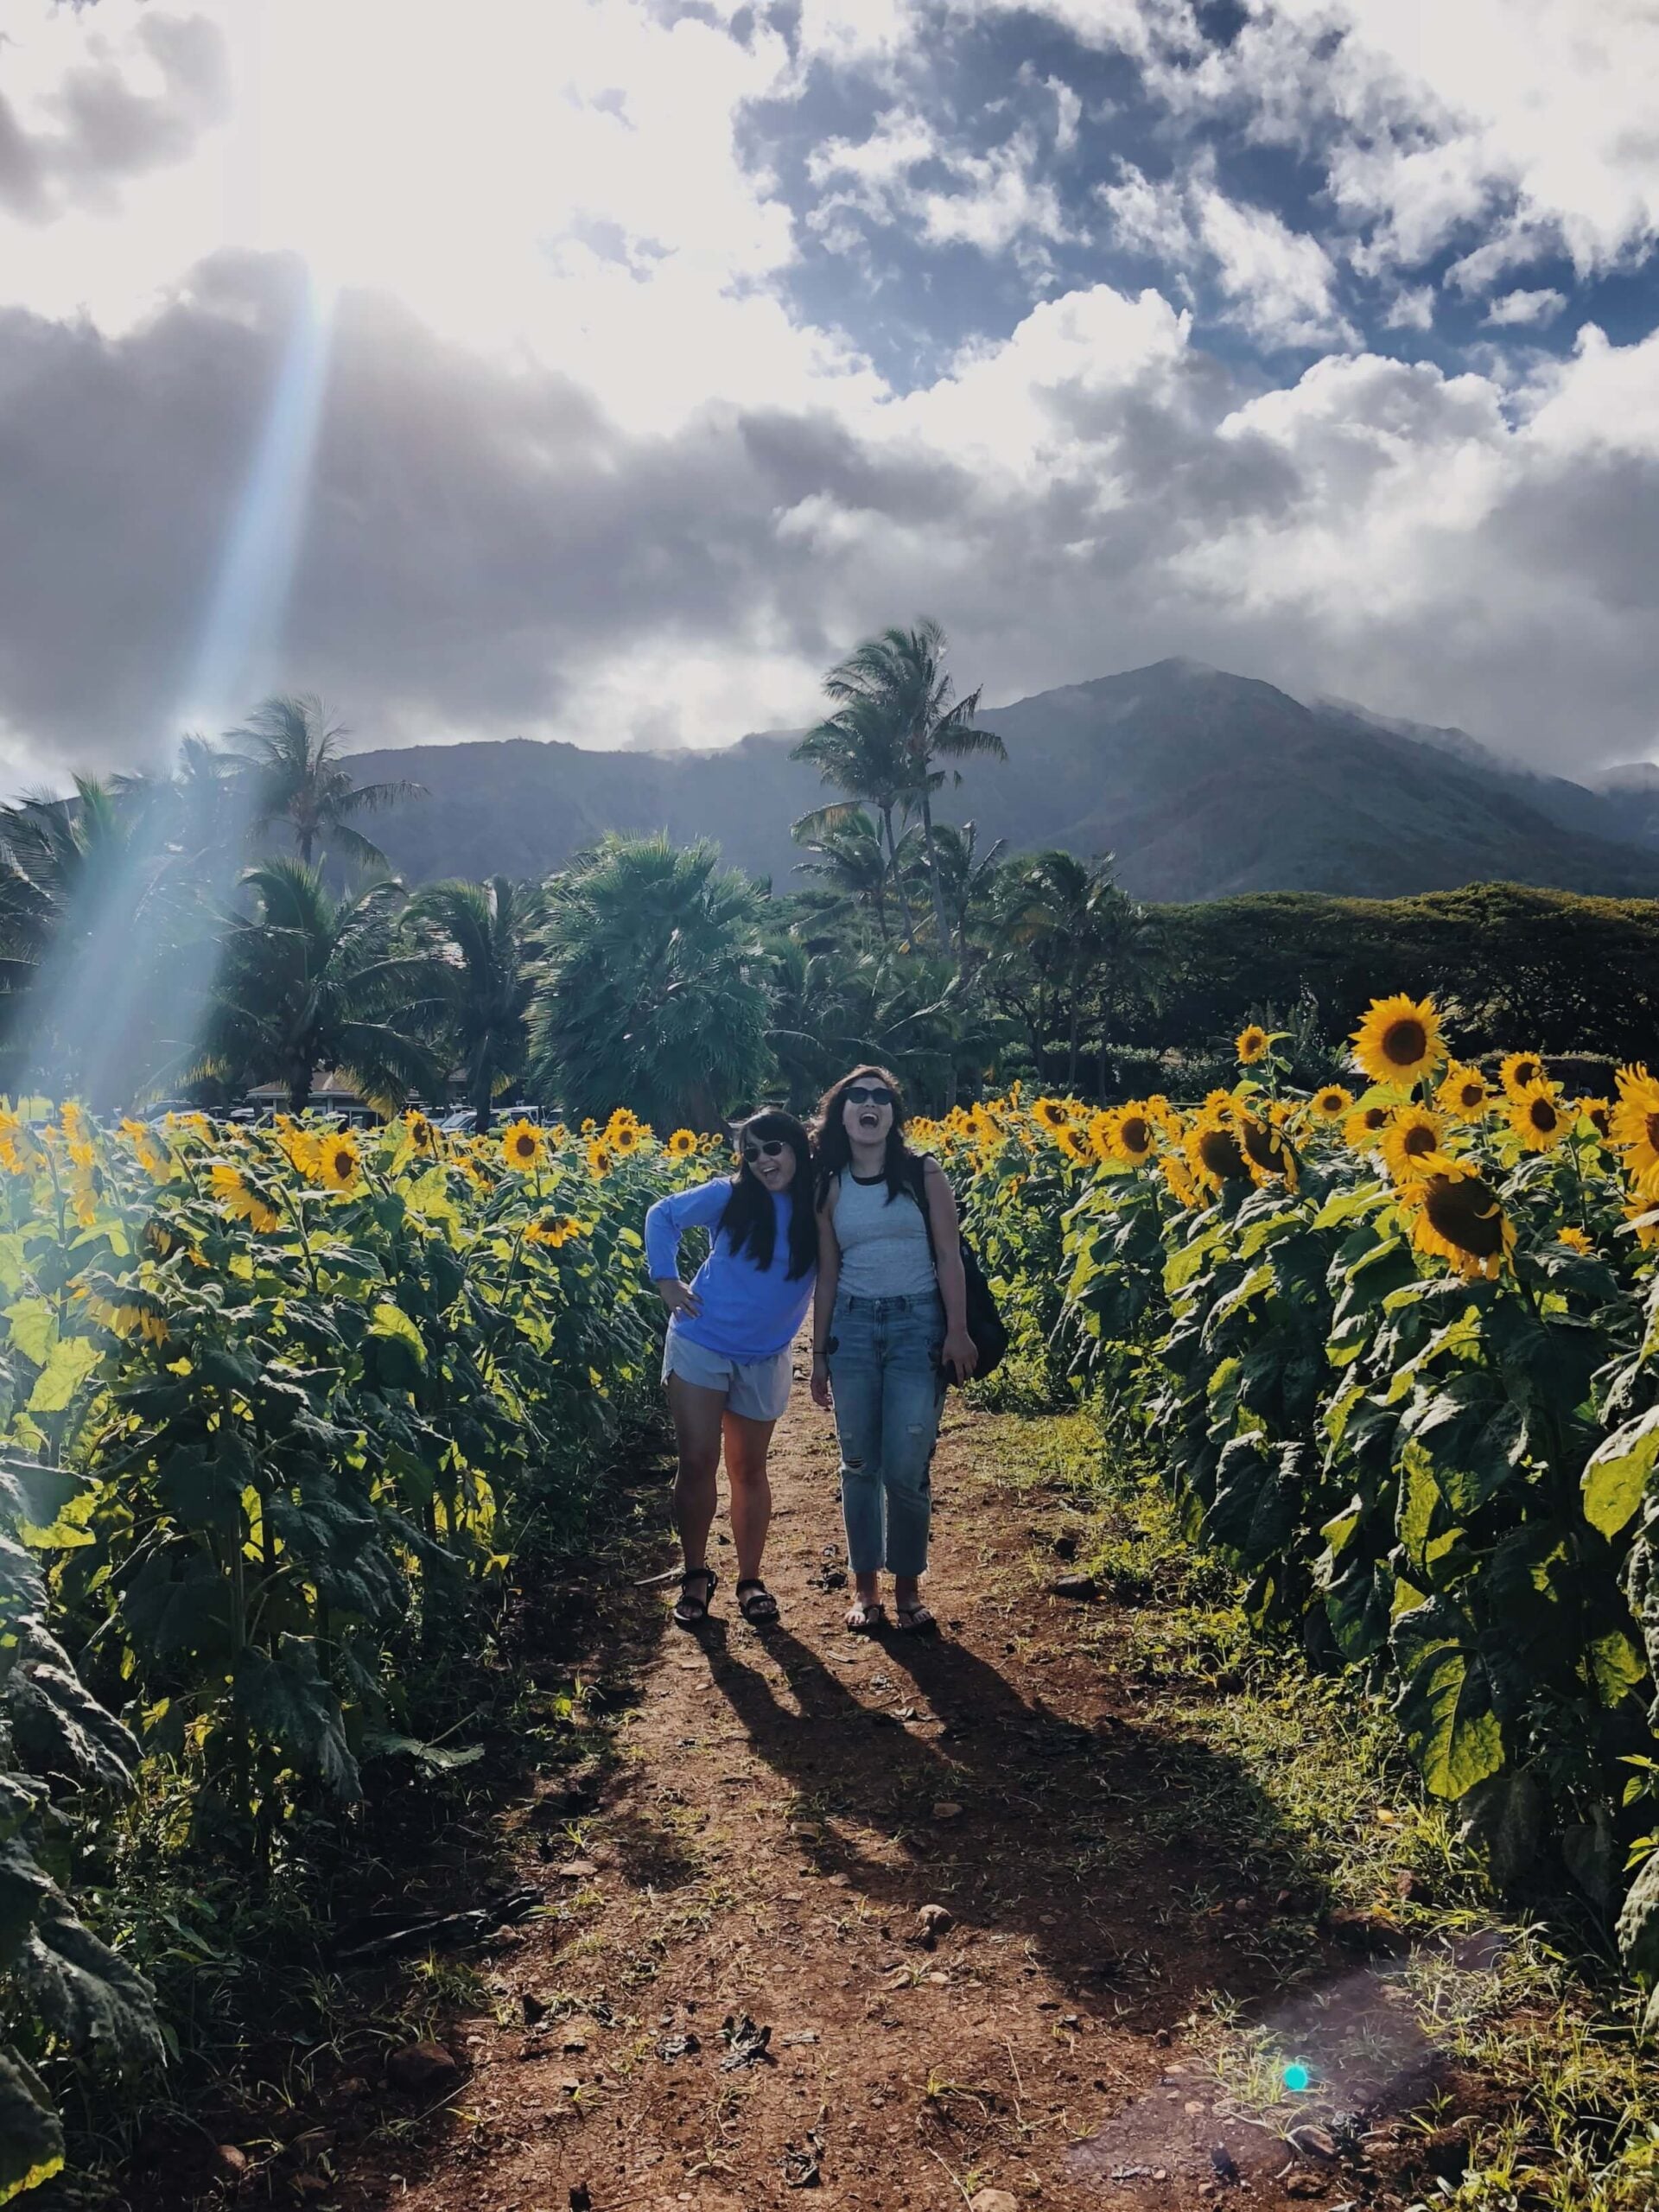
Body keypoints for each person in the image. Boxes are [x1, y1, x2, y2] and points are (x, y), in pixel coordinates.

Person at [809, 1065, 976, 1635]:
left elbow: (949, 1257)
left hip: (917, 1327)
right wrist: (819, 1356)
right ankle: (865, 1589)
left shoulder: (922, 1173)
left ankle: (907, 1587)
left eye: (881, 1097)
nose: (870, 1103)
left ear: (893, 1114)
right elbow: (827, 1275)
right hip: (852, 1330)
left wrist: (957, 1330)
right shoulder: (830, 1185)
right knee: (859, 1465)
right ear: (843, 1112)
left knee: (906, 1467)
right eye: (858, 1095)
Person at [645, 1109, 817, 1629]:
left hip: (765, 1354)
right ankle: (695, 1575)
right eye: (754, 1152)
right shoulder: (730, 1194)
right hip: (703, 1343)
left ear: (797, 1149)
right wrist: (667, 1280)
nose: (765, 1160)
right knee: (697, 1461)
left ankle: (749, 1579)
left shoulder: (818, 1202)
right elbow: (662, 1215)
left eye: (775, 1148)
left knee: (748, 1470)